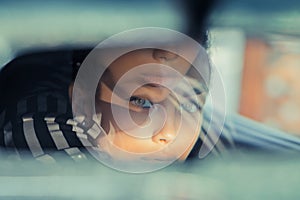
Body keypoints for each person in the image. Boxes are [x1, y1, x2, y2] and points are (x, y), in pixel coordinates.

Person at [0, 0, 233, 169]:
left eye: (191, 105)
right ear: (81, 97)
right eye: (140, 102)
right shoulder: (39, 126)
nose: (170, 133)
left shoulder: (204, 137)